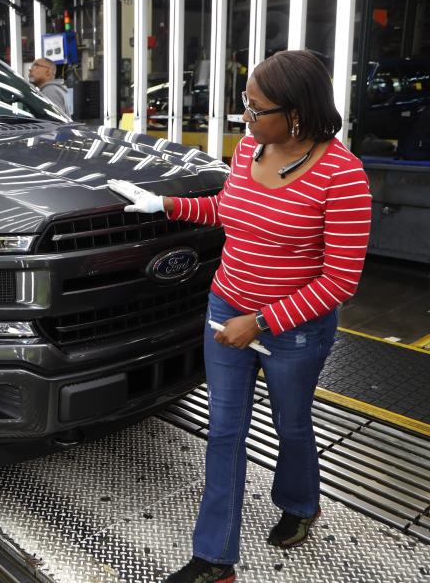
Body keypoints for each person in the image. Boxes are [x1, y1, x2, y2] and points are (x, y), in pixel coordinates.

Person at [108, 50, 372, 583]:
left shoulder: (343, 177)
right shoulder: (253, 148)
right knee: (225, 433)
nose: (245, 120)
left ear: (295, 114)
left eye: (255, 109)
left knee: (291, 426)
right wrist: (164, 205)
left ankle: (300, 504)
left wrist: (263, 322)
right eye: (245, 107)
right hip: (224, 308)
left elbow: (341, 282)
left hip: (294, 331)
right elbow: (229, 210)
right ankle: (215, 560)